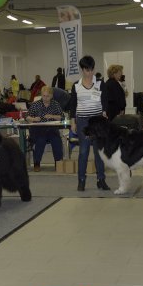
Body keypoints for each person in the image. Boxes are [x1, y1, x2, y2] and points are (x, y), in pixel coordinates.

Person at [70, 55, 110, 192]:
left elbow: (105, 101)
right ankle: (81, 180)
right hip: (83, 122)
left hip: (97, 121)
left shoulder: (100, 84)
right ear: (82, 70)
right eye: (87, 70)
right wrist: (72, 122)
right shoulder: (76, 85)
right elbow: (73, 105)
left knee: (99, 152)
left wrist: (104, 112)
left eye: (92, 69)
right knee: (83, 151)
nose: (90, 72)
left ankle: (101, 179)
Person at [27, 85, 64, 172]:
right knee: (40, 140)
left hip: (52, 129)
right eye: (43, 96)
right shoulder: (36, 104)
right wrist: (33, 119)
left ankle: (58, 163)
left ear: (51, 96)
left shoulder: (55, 104)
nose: (45, 98)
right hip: (39, 129)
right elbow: (27, 117)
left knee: (57, 140)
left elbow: (62, 117)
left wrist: (52, 116)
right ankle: (37, 163)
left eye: (47, 96)